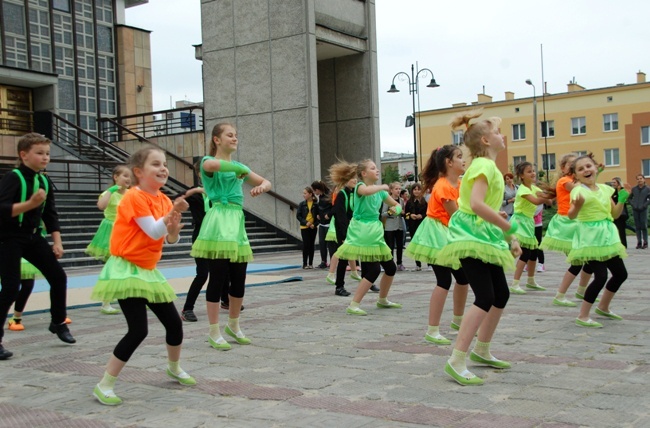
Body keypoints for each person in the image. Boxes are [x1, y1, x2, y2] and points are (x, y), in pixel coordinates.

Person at [90, 146, 193, 405]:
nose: (163, 169)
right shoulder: (133, 197)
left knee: (174, 323)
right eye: (156, 164)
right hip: (126, 269)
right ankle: (105, 385)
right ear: (138, 172)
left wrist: (174, 227)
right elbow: (151, 231)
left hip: (148, 270)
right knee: (138, 330)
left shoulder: (164, 199)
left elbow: (168, 238)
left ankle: (173, 367)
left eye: (164, 164)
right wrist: (170, 218)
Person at [436, 111, 521, 386]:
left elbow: (486, 208)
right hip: (471, 236)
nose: (502, 135)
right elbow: (476, 205)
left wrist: (507, 235)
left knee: (500, 294)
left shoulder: (488, 167)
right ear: (486, 140)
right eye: (497, 132)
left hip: (483, 236)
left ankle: (481, 349)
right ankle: (456, 359)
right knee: (485, 296)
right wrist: (509, 230)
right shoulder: (483, 166)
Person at [191, 123, 271, 350]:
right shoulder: (208, 162)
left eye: (236, 135)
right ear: (217, 139)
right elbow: (214, 164)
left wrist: (261, 187)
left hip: (236, 222)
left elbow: (265, 181)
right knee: (217, 277)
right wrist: (241, 171)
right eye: (229, 135)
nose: (234, 138)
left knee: (239, 277)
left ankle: (233, 325)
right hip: (219, 221)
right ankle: (214, 330)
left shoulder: (239, 166)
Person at [0, 133, 76, 361]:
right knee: (11, 287)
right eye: (39, 153)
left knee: (58, 277)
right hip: (9, 238)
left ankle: (58, 322)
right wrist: (30, 204)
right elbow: (2, 209)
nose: (45, 158)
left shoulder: (44, 180)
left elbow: (51, 213)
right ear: (24, 155)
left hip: (34, 237)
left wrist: (57, 240)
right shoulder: (13, 178)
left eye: (47, 154)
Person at [405, 145, 469, 345]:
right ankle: (432, 329)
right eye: (459, 157)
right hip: (437, 235)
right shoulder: (443, 186)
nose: (464, 160)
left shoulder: (458, 183)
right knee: (444, 281)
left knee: (463, 278)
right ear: (449, 163)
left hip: (449, 232)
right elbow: (457, 216)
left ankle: (458, 321)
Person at [567, 154, 628, 328]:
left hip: (608, 237)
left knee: (621, 274)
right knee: (601, 276)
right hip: (590, 239)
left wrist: (622, 200)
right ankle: (583, 315)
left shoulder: (604, 189)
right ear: (576, 175)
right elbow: (571, 215)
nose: (586, 170)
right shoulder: (578, 191)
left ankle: (603, 306)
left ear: (595, 168)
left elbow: (614, 214)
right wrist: (577, 207)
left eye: (588, 166)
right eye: (580, 169)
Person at [335, 159, 401, 316]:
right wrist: (383, 187)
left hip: (375, 230)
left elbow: (397, 206)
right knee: (373, 270)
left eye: (377, 168)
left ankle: (382, 299)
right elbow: (366, 191)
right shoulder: (360, 186)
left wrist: (391, 212)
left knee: (390, 267)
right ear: (364, 173)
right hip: (363, 230)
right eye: (373, 168)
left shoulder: (381, 192)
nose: (377, 170)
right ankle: (354, 304)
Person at [540, 153, 594, 306]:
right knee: (577, 262)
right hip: (566, 225)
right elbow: (582, 191)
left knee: (589, 259)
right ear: (563, 169)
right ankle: (560, 295)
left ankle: (581, 290)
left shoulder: (575, 181)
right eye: (570, 165)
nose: (573, 167)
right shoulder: (565, 181)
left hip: (577, 223)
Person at [85, 165, 132, 315]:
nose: (128, 179)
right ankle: (106, 302)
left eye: (129, 176)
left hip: (127, 231)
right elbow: (101, 206)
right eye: (125, 175)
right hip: (111, 231)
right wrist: (111, 191)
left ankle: (135, 297)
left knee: (132, 266)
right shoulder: (109, 193)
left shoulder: (131, 193)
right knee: (112, 267)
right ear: (115, 177)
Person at [509, 162, 553, 295]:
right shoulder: (523, 190)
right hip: (520, 221)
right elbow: (535, 201)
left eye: (533, 170)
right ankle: (515, 283)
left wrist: (551, 195)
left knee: (533, 253)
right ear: (521, 176)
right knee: (525, 252)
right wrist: (546, 197)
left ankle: (531, 280)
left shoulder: (534, 188)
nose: (533, 173)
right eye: (529, 171)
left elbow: (548, 201)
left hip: (528, 222)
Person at [176, 186, 214, 322]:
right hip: (201, 236)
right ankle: (187, 309)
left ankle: (226, 300)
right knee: (203, 274)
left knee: (221, 272)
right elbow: (176, 199)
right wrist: (195, 190)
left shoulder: (218, 190)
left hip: (218, 236)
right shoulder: (196, 194)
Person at [325, 161, 360, 296]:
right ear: (345, 180)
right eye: (352, 178)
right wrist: (345, 236)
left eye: (356, 177)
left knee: (361, 256)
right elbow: (341, 217)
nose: (355, 180)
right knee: (344, 258)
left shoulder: (355, 193)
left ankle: (368, 281)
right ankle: (339, 286)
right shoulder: (342, 194)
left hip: (354, 230)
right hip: (344, 231)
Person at [382, 182, 406, 271]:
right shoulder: (387, 200)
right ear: (391, 190)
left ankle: (399, 263)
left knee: (400, 245)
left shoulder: (402, 200)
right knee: (390, 246)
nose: (398, 191)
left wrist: (404, 213)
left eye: (399, 189)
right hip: (390, 226)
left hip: (399, 225)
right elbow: (382, 214)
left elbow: (403, 212)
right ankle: (390, 263)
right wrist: (390, 212)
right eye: (396, 189)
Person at [404, 183, 428, 271]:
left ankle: (429, 263)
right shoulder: (409, 202)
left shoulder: (424, 202)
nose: (417, 191)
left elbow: (427, 213)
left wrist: (421, 216)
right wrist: (410, 215)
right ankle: (418, 264)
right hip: (412, 225)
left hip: (422, 225)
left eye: (418, 189)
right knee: (415, 244)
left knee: (425, 243)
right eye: (415, 189)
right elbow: (405, 214)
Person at [296, 186, 319, 269]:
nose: (303, 195)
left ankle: (310, 263)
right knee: (306, 244)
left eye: (305, 193)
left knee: (311, 245)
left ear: (310, 194)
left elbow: (319, 217)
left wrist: (315, 224)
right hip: (304, 227)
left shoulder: (316, 205)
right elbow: (298, 216)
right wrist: (306, 222)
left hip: (313, 227)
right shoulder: (302, 204)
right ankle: (305, 263)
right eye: (303, 193)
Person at [312, 180, 332, 269]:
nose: (314, 193)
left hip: (329, 223)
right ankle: (323, 261)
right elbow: (320, 208)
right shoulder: (321, 196)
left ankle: (333, 261)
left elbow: (333, 207)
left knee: (331, 244)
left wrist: (329, 215)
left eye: (314, 190)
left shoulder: (329, 195)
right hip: (322, 223)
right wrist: (318, 215)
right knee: (322, 243)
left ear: (318, 189)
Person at [630, 174, 649, 249]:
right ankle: (639, 242)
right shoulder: (634, 189)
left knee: (643, 226)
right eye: (638, 179)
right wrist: (633, 204)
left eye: (641, 178)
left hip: (643, 209)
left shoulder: (647, 189)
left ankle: (645, 242)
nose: (639, 180)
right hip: (635, 209)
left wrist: (645, 205)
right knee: (637, 227)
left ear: (644, 179)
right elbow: (629, 198)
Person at [611, 177, 629, 248]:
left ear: (618, 183)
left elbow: (622, 200)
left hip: (621, 214)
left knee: (621, 230)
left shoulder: (622, 190)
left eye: (614, 182)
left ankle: (623, 245)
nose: (613, 184)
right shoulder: (612, 191)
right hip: (614, 213)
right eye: (612, 182)